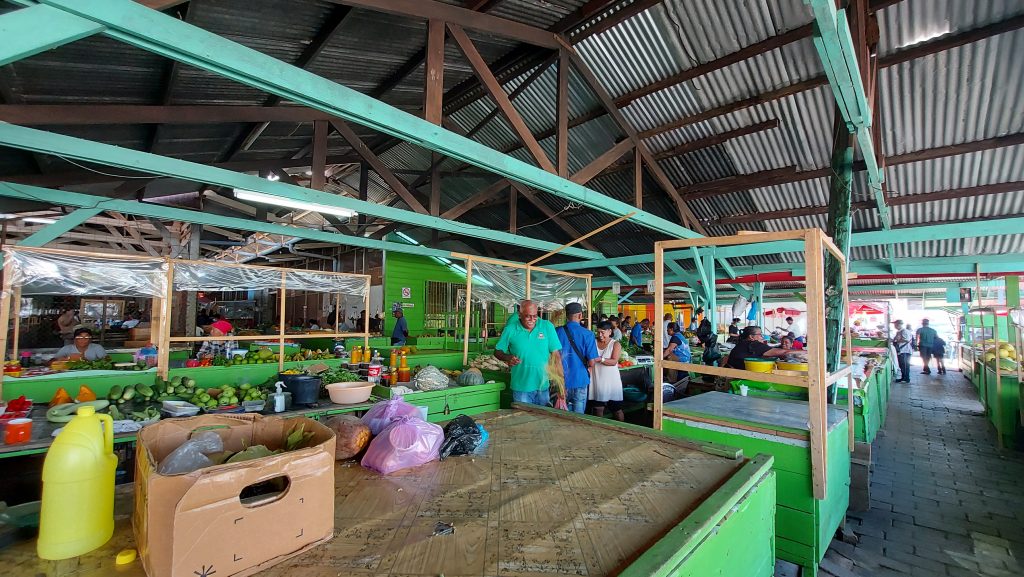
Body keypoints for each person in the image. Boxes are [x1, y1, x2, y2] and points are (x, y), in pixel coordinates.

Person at [495, 300, 563, 407]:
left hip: (543, 387)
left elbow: (556, 356)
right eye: (528, 316)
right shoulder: (510, 329)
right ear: (519, 315)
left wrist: (561, 385)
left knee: (544, 417)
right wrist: (507, 357)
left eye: (535, 316)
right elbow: (497, 351)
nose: (532, 320)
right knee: (523, 417)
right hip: (521, 388)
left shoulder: (546, 327)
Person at [556, 303, 598, 414]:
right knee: (578, 416)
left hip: (561, 381)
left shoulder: (557, 332)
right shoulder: (588, 334)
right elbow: (592, 362)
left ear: (566, 316)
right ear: (580, 315)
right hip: (580, 379)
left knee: (561, 414)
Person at [590, 321, 624, 421]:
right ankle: (599, 429)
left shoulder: (615, 344)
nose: (600, 335)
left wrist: (601, 359)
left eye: (602, 332)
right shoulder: (593, 342)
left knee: (616, 409)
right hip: (597, 380)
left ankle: (622, 428)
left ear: (609, 331)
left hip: (611, 382)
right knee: (598, 408)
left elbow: (614, 361)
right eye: (598, 332)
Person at [723, 326, 797, 370]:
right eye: (760, 334)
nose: (762, 337)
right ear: (751, 337)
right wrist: (803, 352)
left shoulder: (743, 343)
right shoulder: (753, 344)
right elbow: (785, 352)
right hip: (734, 377)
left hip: (731, 372)